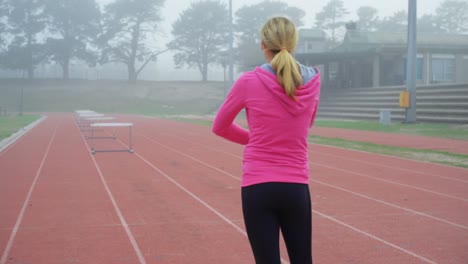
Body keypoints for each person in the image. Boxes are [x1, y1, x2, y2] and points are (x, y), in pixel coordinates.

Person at [212, 16, 320, 264]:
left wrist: (253, 139)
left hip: (258, 186)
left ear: (263, 44)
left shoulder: (248, 81)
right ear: (293, 43)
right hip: (296, 187)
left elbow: (219, 126)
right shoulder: (313, 80)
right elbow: (307, 124)